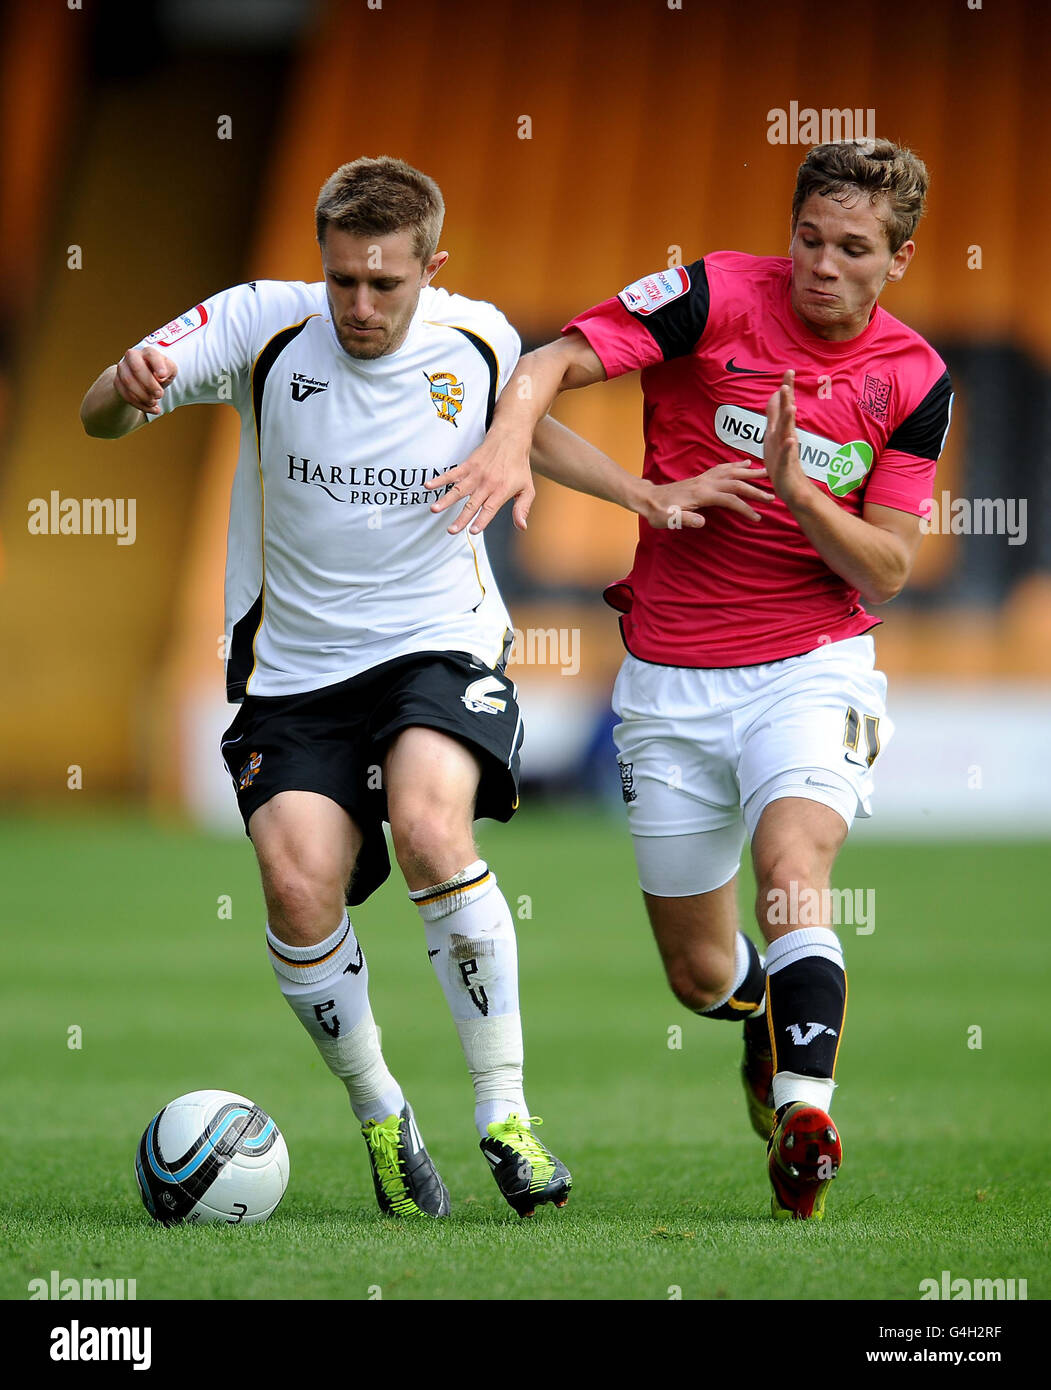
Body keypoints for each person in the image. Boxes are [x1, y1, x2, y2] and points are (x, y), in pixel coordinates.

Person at [431, 139, 953, 1220]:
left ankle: (806, 1113)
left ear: (897, 259)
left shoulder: (913, 379)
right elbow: (542, 365)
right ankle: (769, 1026)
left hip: (812, 665)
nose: (819, 263)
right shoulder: (710, 293)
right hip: (668, 679)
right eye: (807, 237)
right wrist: (584, 470)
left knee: (792, 859)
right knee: (698, 971)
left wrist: (800, 494)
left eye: (852, 248)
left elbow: (891, 567)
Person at [79, 155, 572, 1220]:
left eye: (385, 284)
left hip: (435, 642)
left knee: (431, 826)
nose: (358, 304)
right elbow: (98, 416)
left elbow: (529, 406)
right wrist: (122, 391)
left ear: (432, 269)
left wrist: (624, 486)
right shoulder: (261, 324)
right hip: (293, 674)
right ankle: (384, 1117)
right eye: (342, 278)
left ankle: (505, 1114)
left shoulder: (476, 335)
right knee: (298, 887)